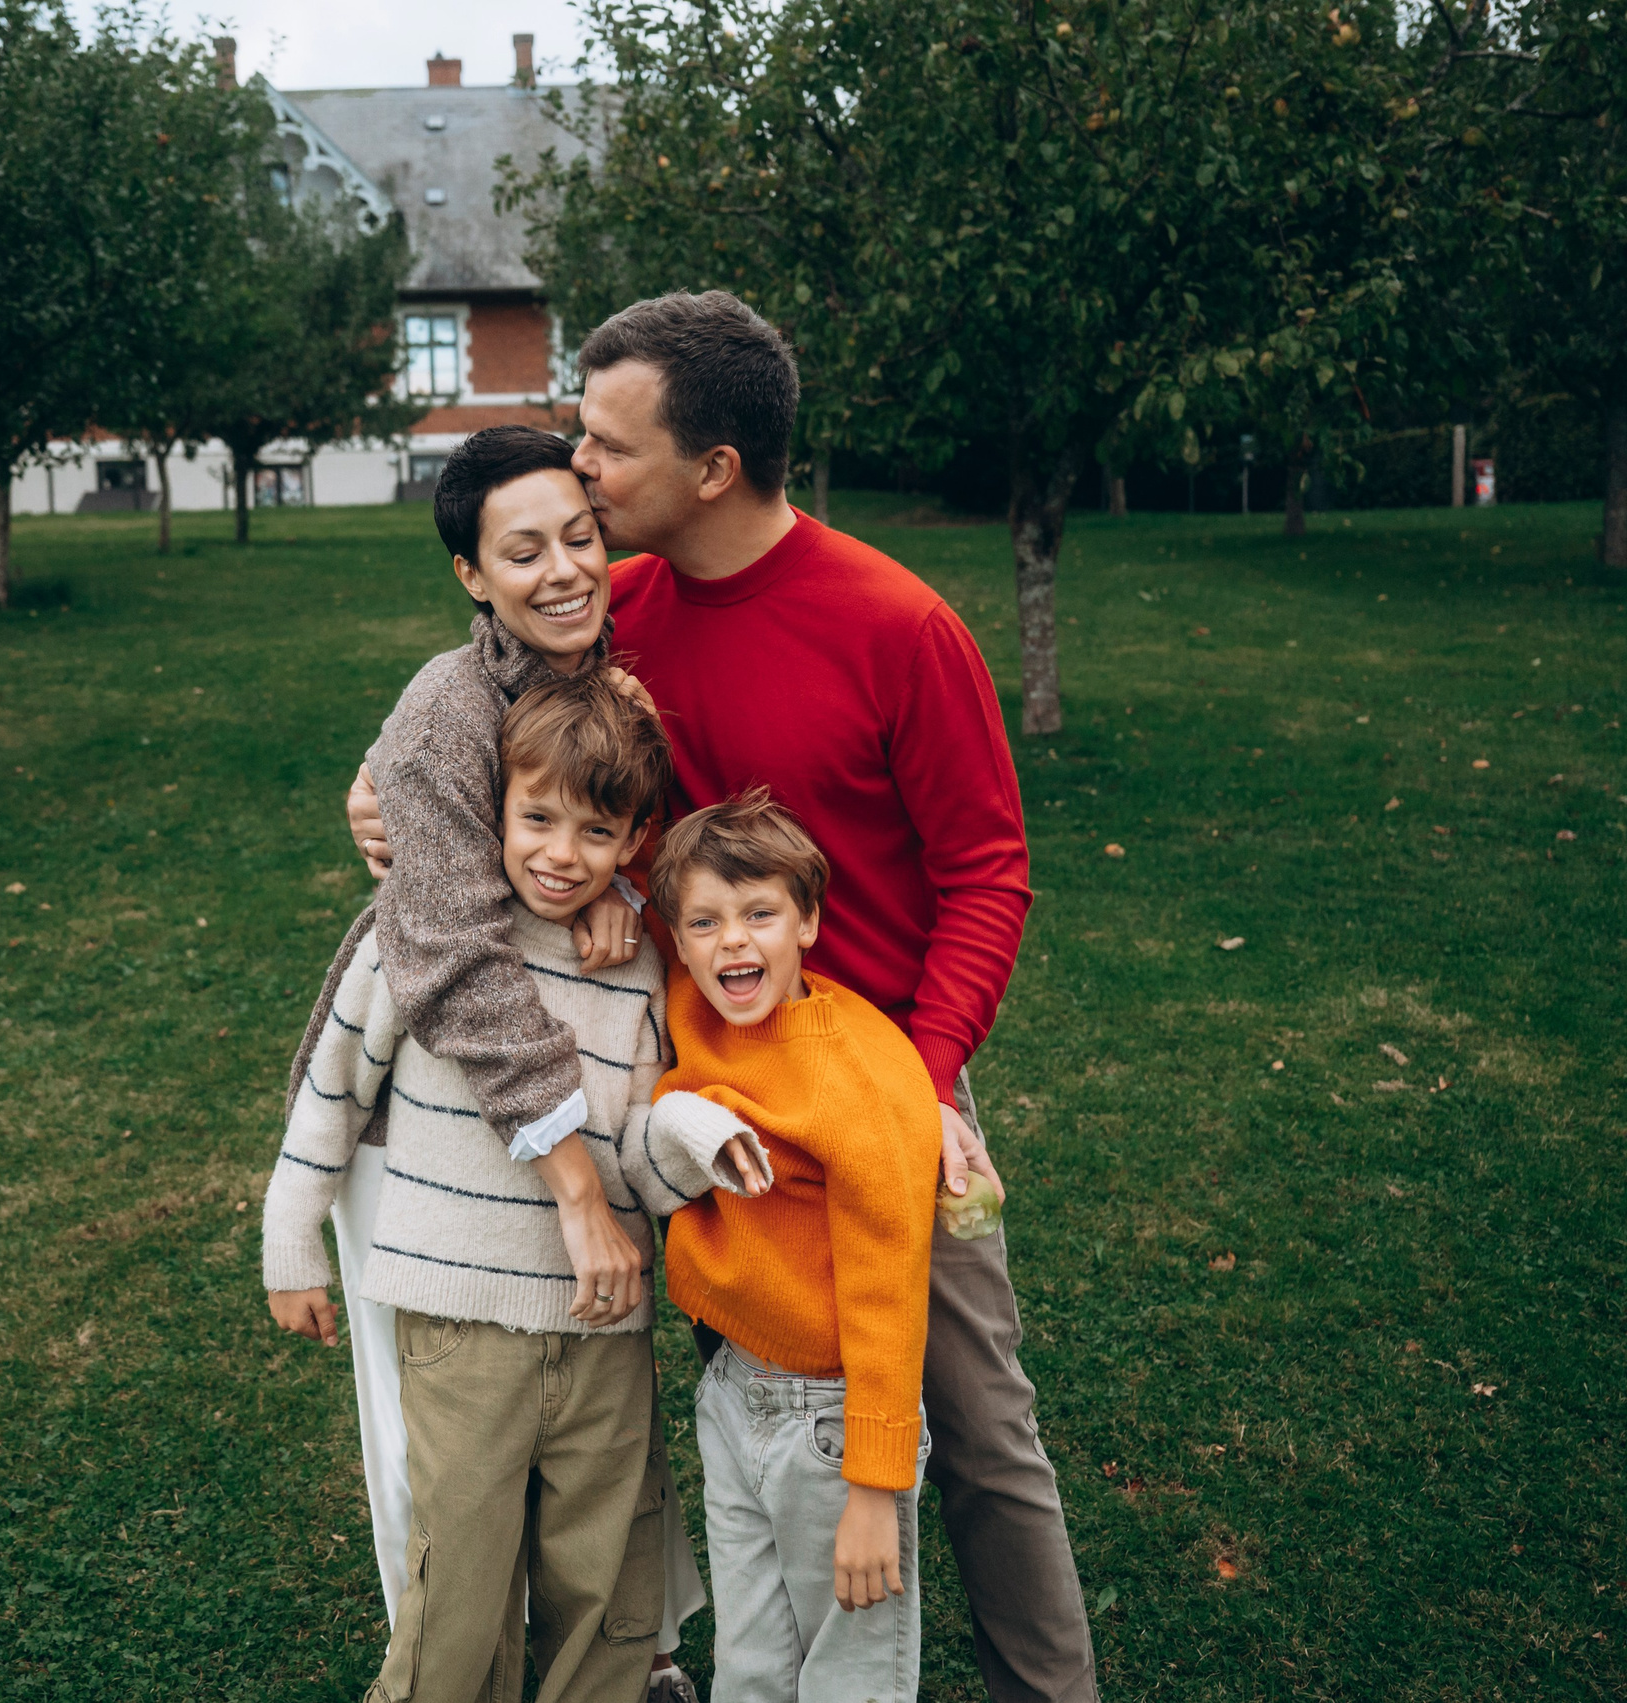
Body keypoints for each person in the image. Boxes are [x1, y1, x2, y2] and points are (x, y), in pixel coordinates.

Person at [351, 292, 1100, 1703]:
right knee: (762, 1414)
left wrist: (930, 1078)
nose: (578, 471)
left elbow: (991, 873)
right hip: (700, 1089)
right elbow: (479, 716)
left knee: (978, 1431)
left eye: (605, 447)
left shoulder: (900, 624)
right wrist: (380, 782)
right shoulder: (615, 616)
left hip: (885, 1084)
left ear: (713, 470)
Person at [274, 432, 754, 1701]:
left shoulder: (616, 682)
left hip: (589, 1110)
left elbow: (648, 833)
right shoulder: (444, 706)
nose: (560, 568)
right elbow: (450, 965)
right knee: (452, 1489)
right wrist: (582, 1195)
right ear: (469, 576)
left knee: (602, 1483)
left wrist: (627, 900)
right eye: (520, 549)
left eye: (578, 535)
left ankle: (625, 1661)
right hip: (448, 1147)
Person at [641, 791, 939, 1701]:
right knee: (752, 1666)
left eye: (760, 913)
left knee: (851, 1671)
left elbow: (891, 1285)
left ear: (808, 921)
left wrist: (874, 1488)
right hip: (732, 1390)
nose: (734, 941)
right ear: (678, 940)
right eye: (706, 921)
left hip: (831, 1416)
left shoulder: (863, 1077)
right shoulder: (692, 1004)